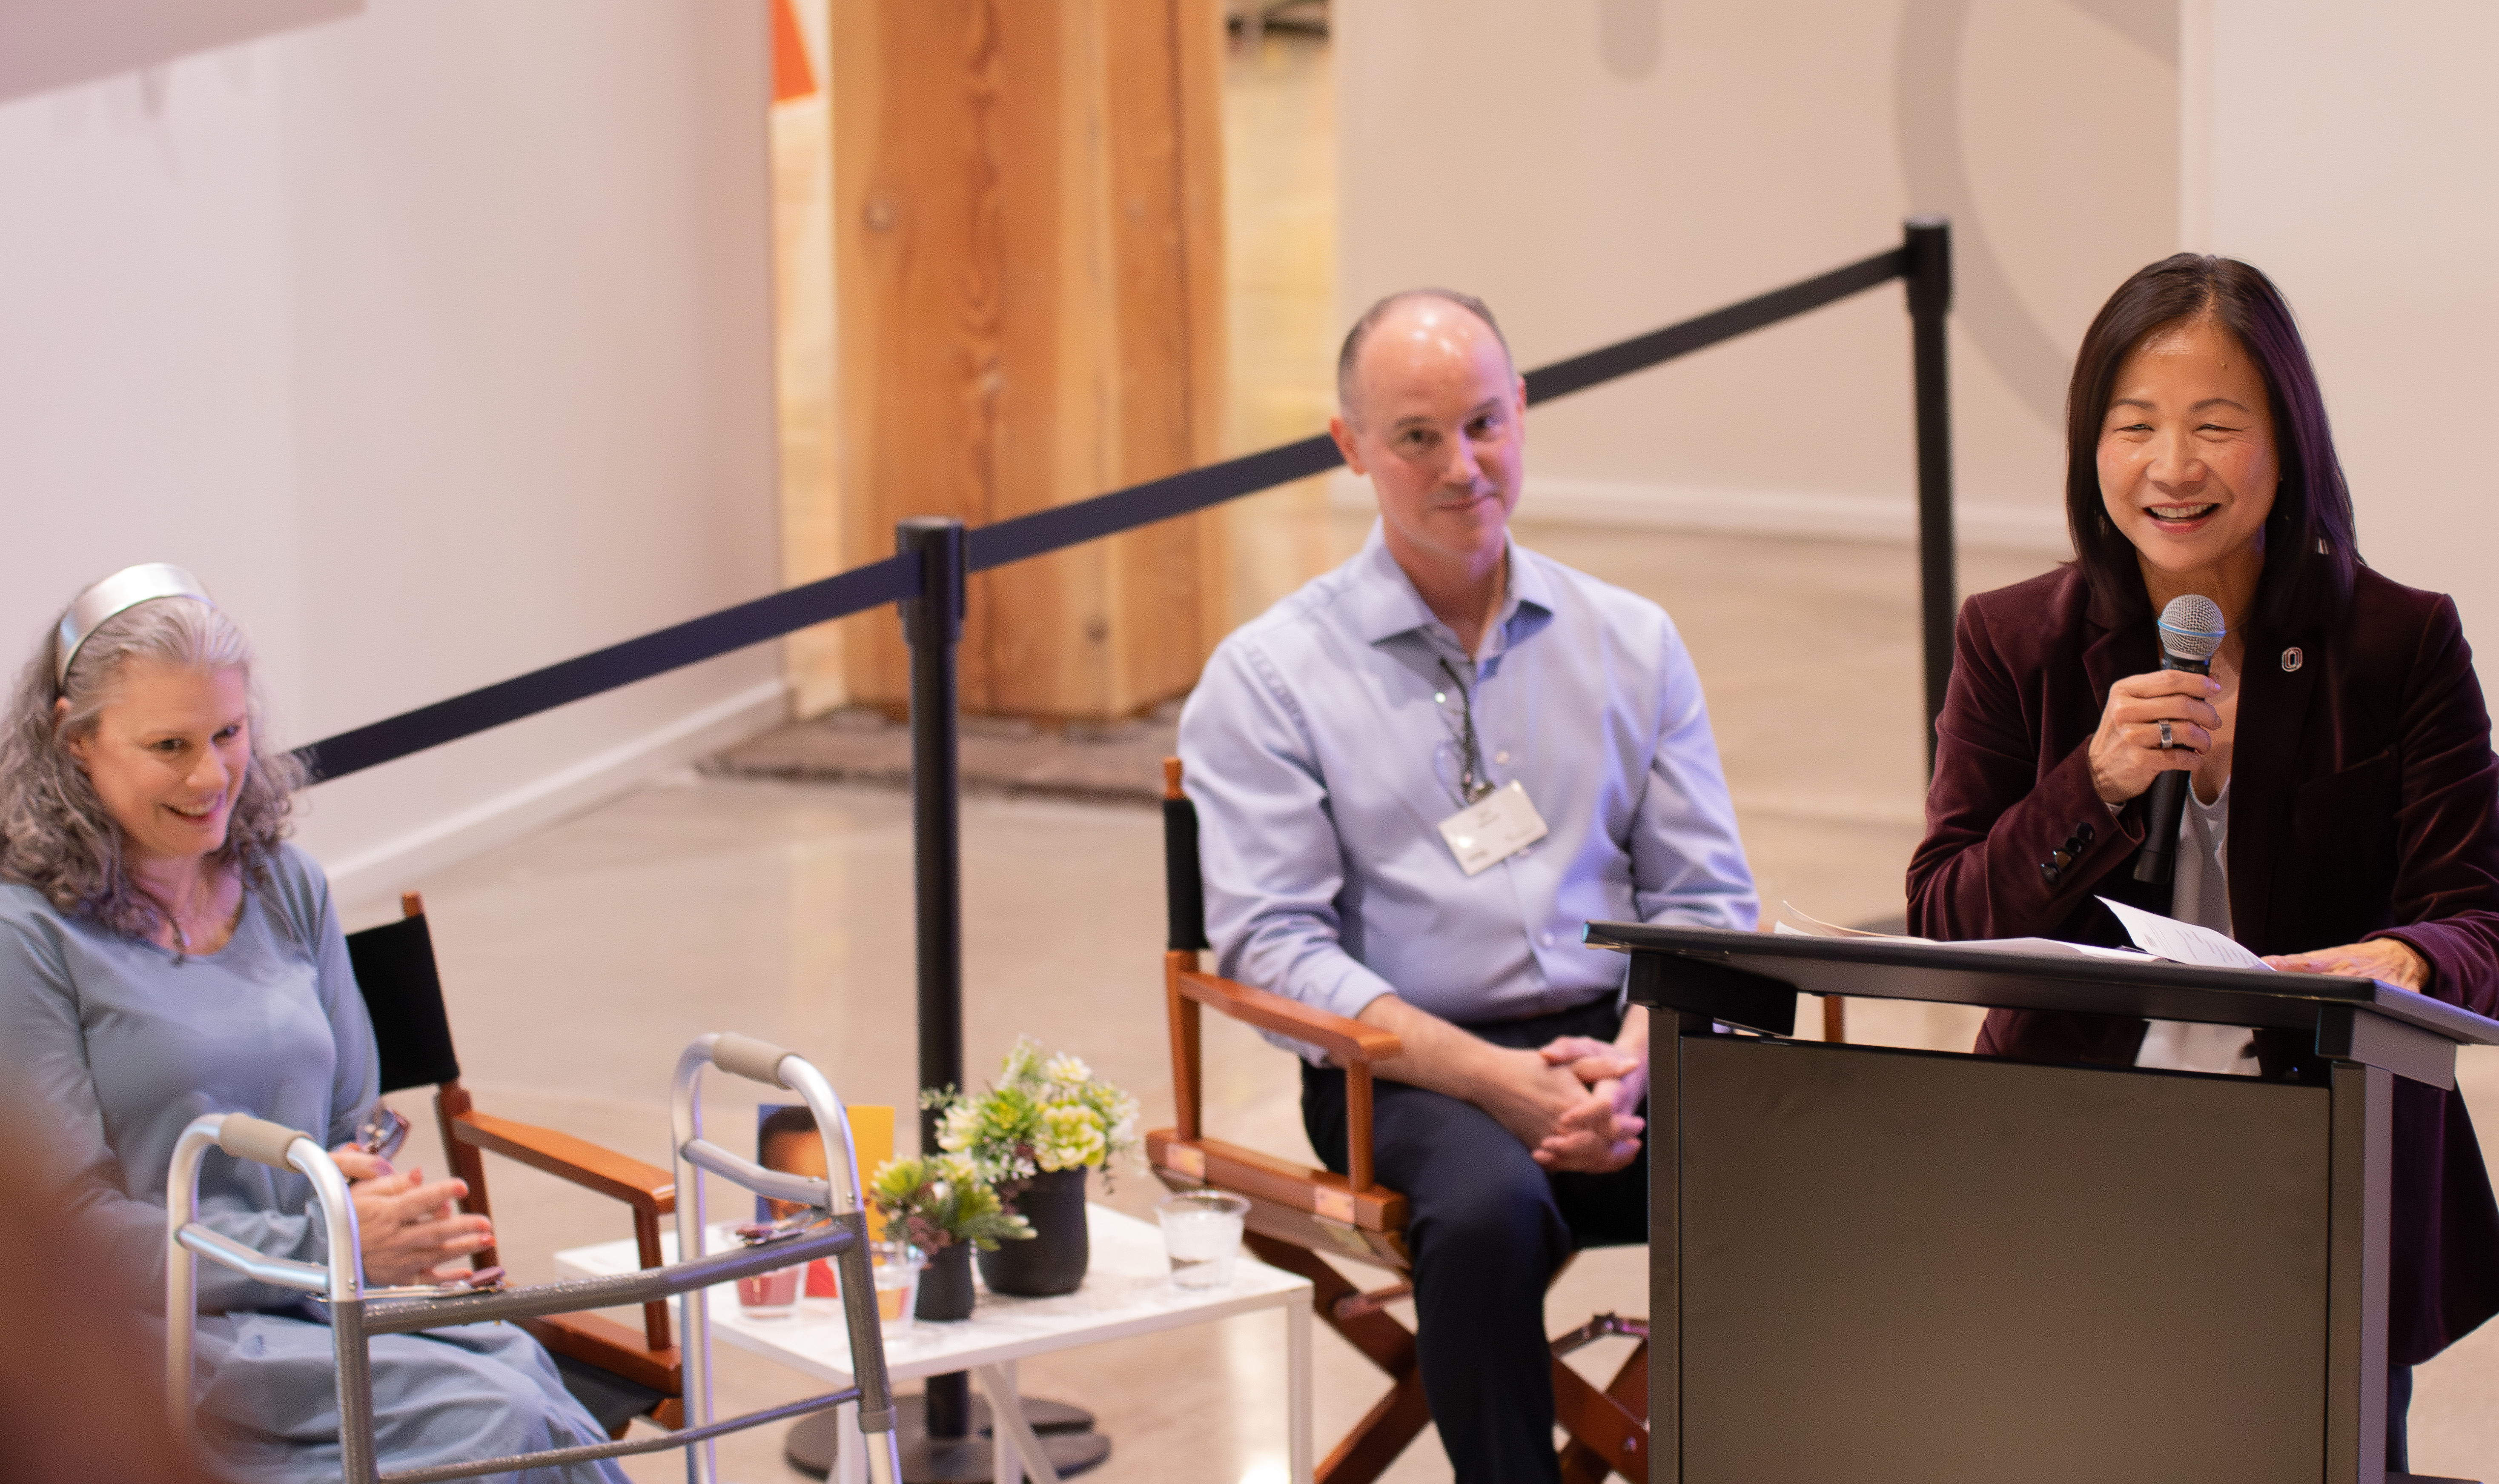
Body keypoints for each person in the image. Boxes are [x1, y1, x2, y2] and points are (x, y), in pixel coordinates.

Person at [1907, 254, 2499, 1470]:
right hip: (2075, 1153)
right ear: (2090, 450)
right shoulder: (2016, 640)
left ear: (2285, 442)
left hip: (2321, 1167)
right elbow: (1946, 920)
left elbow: (2475, 924)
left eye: (2212, 426)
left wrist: (2392, 957)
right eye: (2133, 428)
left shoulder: (2395, 643)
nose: (2169, 467)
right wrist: (2092, 784)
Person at [1179, 290, 1757, 1480]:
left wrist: (1630, 1056)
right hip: (1396, 1076)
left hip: (1620, 1047)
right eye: (1415, 437)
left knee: (1821, 1162)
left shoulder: (1629, 641)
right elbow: (1275, 945)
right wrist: (1500, 1084)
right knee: (1488, 1214)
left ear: (1522, 413)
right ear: (1349, 448)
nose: (1462, 466)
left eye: (1484, 424)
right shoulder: (1269, 678)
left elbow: (1704, 901)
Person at [0, 565, 629, 1484]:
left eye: (230, 732)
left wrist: (390, 1229)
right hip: (168, 1336)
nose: (211, 774)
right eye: (169, 744)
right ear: (76, 742)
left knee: (526, 1384)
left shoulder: (286, 885)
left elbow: (350, 1127)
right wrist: (320, 1245)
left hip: (327, 1290)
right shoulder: (29, 937)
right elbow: (75, 1234)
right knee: (505, 1418)